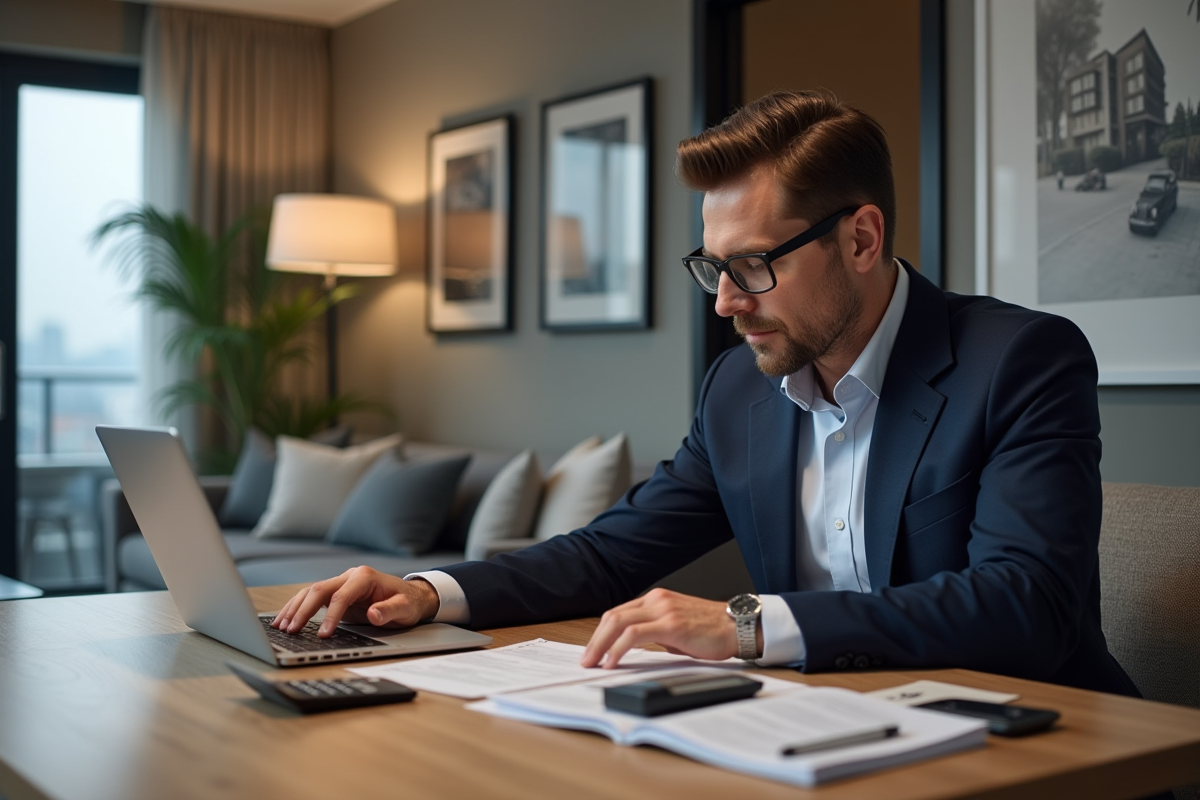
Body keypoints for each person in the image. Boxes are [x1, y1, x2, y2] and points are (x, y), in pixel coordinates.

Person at [272, 90, 1137, 697]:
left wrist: (749, 624)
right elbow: (609, 554)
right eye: (713, 269)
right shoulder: (738, 391)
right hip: (834, 734)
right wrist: (428, 593)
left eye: (754, 264)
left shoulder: (1020, 360)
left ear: (863, 237)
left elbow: (1027, 604)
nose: (725, 302)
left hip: (1032, 744)